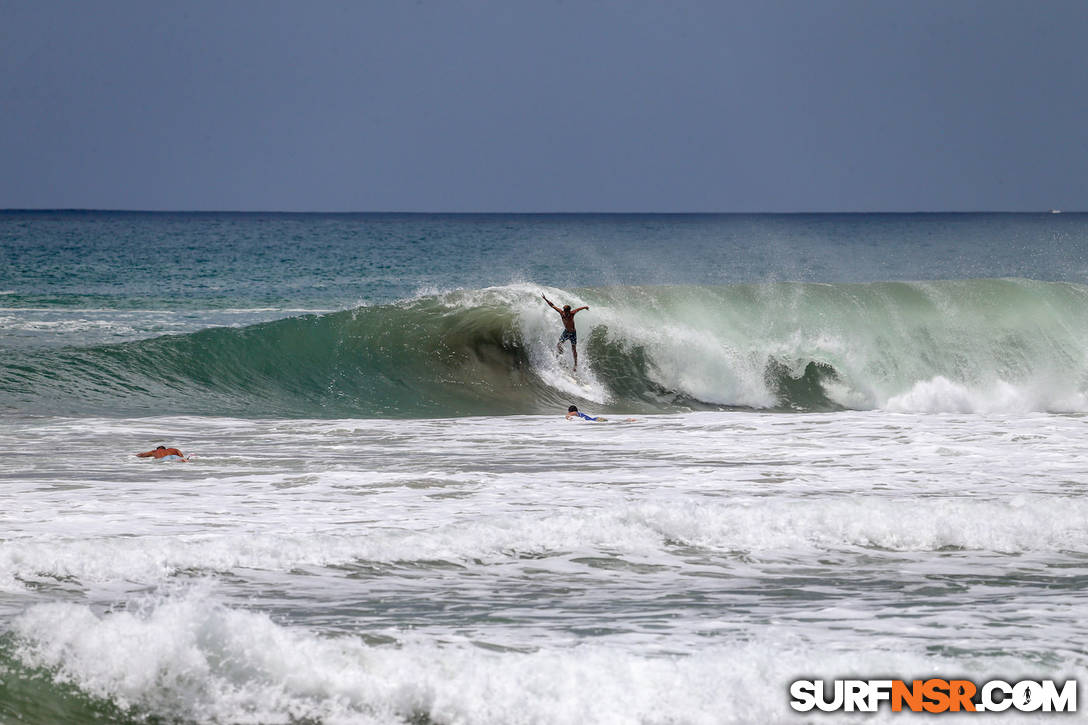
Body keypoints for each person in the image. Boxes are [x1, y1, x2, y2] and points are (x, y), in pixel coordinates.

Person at [542, 293, 589, 370]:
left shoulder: (572, 313)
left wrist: (585, 307)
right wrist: (545, 299)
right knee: (559, 345)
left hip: (573, 333)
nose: (564, 313)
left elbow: (579, 309)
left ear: (569, 311)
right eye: (564, 311)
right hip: (566, 332)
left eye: (566, 311)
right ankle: (562, 357)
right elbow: (552, 305)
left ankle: (575, 364)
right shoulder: (561, 313)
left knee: (573, 348)